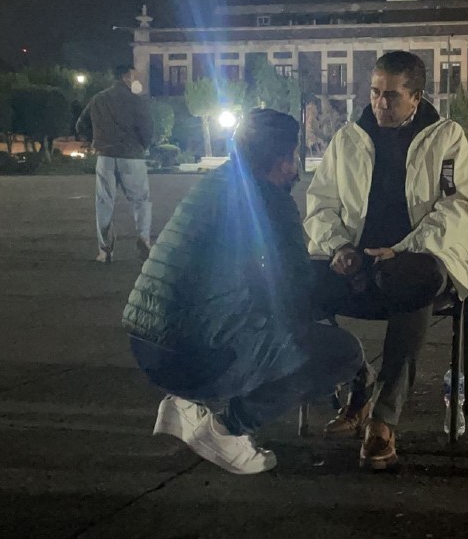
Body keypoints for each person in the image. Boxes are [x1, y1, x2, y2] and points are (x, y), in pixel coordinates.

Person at [124, 109, 366, 475]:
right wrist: (341, 278)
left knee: (235, 315)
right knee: (341, 353)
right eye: (294, 156)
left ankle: (186, 404)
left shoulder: (214, 184)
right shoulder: (270, 198)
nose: (295, 168)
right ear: (283, 160)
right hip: (196, 355)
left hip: (145, 342)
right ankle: (228, 430)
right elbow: (296, 293)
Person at [305, 51, 468, 471]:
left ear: (416, 97)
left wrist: (402, 249)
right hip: (359, 262)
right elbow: (320, 204)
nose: (380, 103)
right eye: (375, 93)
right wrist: (339, 247)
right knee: (295, 283)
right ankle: (356, 380)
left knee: (414, 284)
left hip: (413, 261)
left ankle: (383, 419)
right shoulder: (348, 138)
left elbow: (454, 208)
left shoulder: (446, 138)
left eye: (392, 96)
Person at [75, 66, 154, 263]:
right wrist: (142, 145)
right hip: (132, 156)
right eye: (134, 76)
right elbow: (147, 127)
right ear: (127, 77)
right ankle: (143, 238)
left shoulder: (98, 99)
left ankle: (105, 251)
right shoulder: (137, 100)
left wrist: (93, 141)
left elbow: (80, 124)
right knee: (141, 200)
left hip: (105, 156)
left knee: (104, 202)